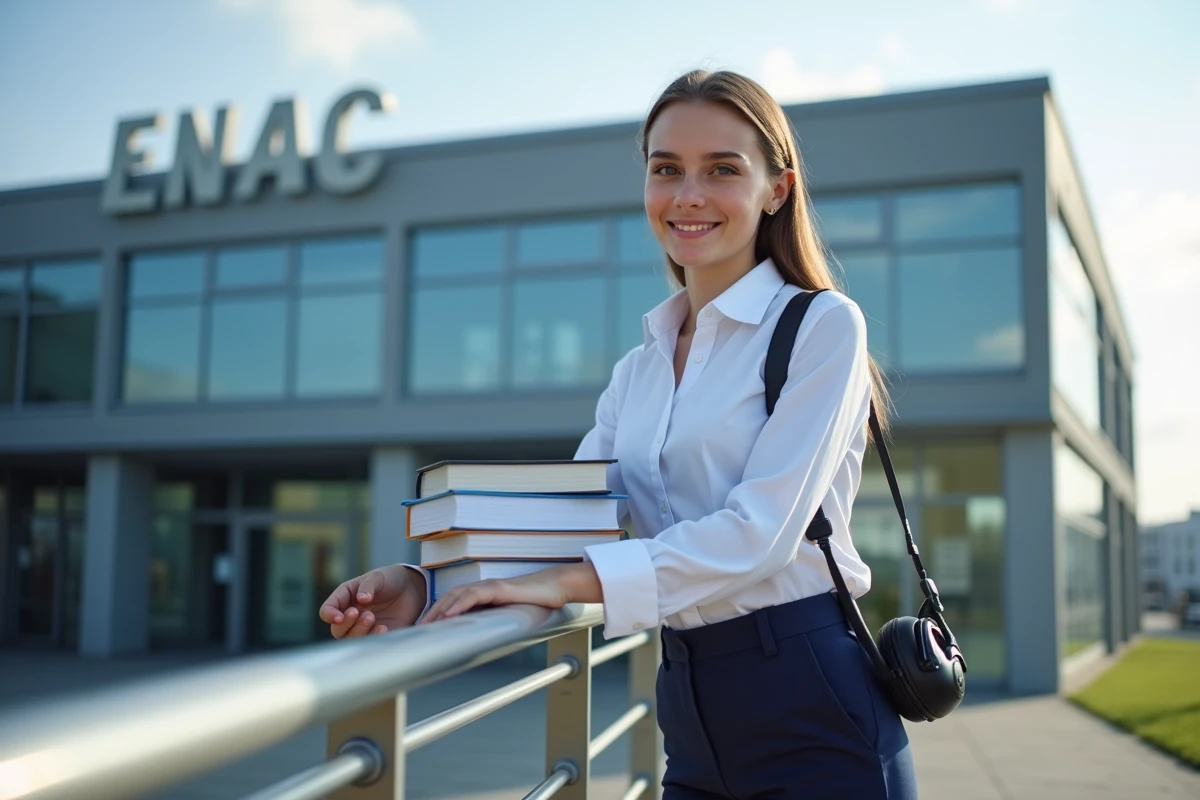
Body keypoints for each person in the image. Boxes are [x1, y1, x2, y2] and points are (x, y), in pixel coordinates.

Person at [319, 68, 918, 799]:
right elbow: (569, 526)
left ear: (776, 189)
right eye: (666, 169)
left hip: (810, 693)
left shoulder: (822, 326)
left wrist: (567, 584)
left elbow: (759, 533)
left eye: (722, 170)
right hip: (689, 703)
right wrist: (426, 584)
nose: (687, 195)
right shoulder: (639, 369)